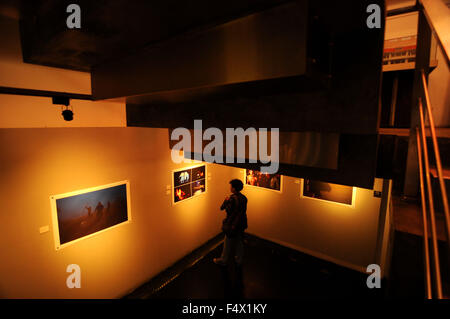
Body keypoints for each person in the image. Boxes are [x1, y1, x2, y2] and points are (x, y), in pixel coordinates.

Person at [214, 179, 248, 266]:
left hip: (232, 224)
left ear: (234, 188)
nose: (230, 188)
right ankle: (239, 259)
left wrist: (225, 201)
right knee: (239, 241)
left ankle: (223, 260)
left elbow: (224, 208)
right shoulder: (244, 198)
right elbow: (242, 211)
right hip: (241, 223)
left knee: (227, 242)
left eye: (231, 186)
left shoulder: (231, 199)